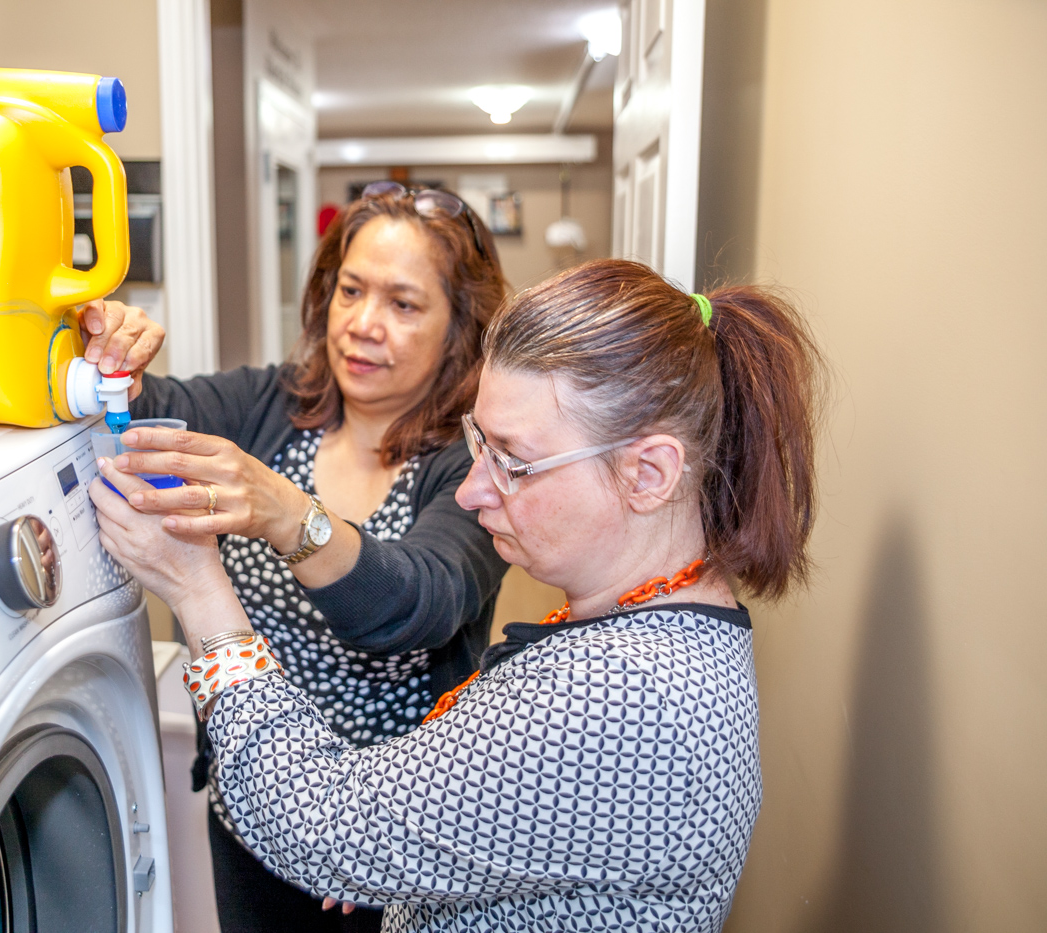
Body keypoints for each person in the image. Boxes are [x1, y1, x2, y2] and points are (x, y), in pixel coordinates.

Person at [89, 259, 826, 931]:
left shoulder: (625, 693)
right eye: (480, 444)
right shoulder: (659, 622)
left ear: (649, 473)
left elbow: (314, 827)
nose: (474, 490)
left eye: (514, 463)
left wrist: (198, 589)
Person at [79, 183, 512, 931]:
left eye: (404, 305)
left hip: (390, 845)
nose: (363, 325)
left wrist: (287, 511)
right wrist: (112, 355)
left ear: (458, 329)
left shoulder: (471, 466)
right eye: (351, 290)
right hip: (252, 811)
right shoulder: (269, 407)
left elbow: (417, 605)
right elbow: (143, 417)